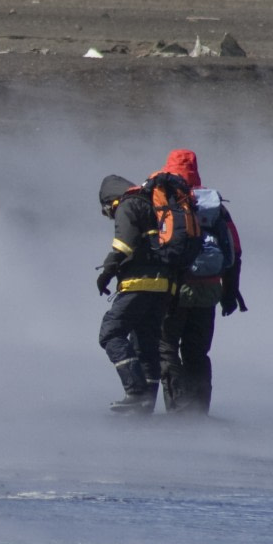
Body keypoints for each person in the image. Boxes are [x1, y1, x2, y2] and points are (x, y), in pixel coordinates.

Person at [156, 149, 245, 415]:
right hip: (209, 291)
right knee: (197, 352)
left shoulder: (165, 201)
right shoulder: (215, 206)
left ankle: (179, 410)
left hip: (173, 291)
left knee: (166, 348)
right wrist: (230, 293)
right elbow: (235, 252)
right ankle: (198, 412)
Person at [96, 174, 173, 416]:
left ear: (110, 200)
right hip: (163, 286)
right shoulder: (151, 203)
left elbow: (124, 244)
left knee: (110, 332)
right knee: (145, 343)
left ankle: (135, 391)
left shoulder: (128, 205)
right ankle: (146, 403)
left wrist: (106, 272)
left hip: (138, 284)